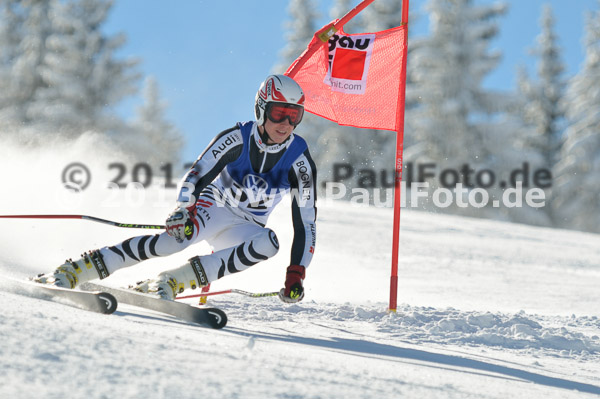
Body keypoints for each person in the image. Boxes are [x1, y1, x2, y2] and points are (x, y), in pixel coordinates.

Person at [35, 74, 317, 303]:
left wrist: (297, 273)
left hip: (247, 225)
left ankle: (171, 281)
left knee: (268, 244)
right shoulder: (238, 138)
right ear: (261, 110)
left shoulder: (299, 160)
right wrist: (184, 209)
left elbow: (306, 222)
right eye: (279, 113)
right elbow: (197, 174)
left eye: (295, 116)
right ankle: (78, 269)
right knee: (173, 242)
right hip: (214, 206)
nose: (286, 124)